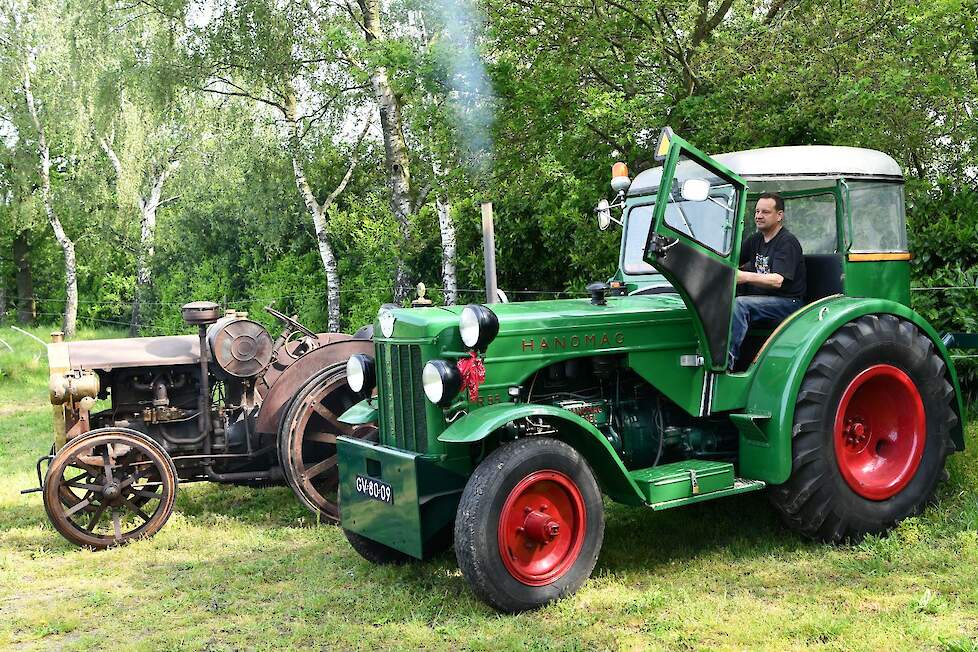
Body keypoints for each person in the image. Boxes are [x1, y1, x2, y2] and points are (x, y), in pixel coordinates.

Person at [728, 192, 806, 369]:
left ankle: (726, 363)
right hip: (762, 301)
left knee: (740, 305)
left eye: (765, 212)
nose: (758, 216)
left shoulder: (787, 242)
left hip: (788, 303)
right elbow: (732, 261)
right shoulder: (755, 239)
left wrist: (744, 277)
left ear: (779, 215)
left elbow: (777, 280)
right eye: (756, 211)